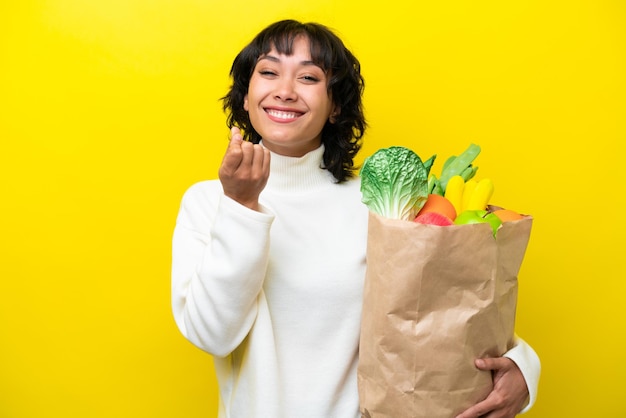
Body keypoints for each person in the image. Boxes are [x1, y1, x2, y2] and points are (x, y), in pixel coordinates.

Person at [171, 19, 540, 418]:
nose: (285, 90)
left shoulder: (377, 204)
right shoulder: (209, 202)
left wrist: (525, 368)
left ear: (336, 107)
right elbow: (212, 335)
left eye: (308, 77)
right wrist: (242, 208)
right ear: (245, 96)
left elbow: (442, 311)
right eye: (269, 71)